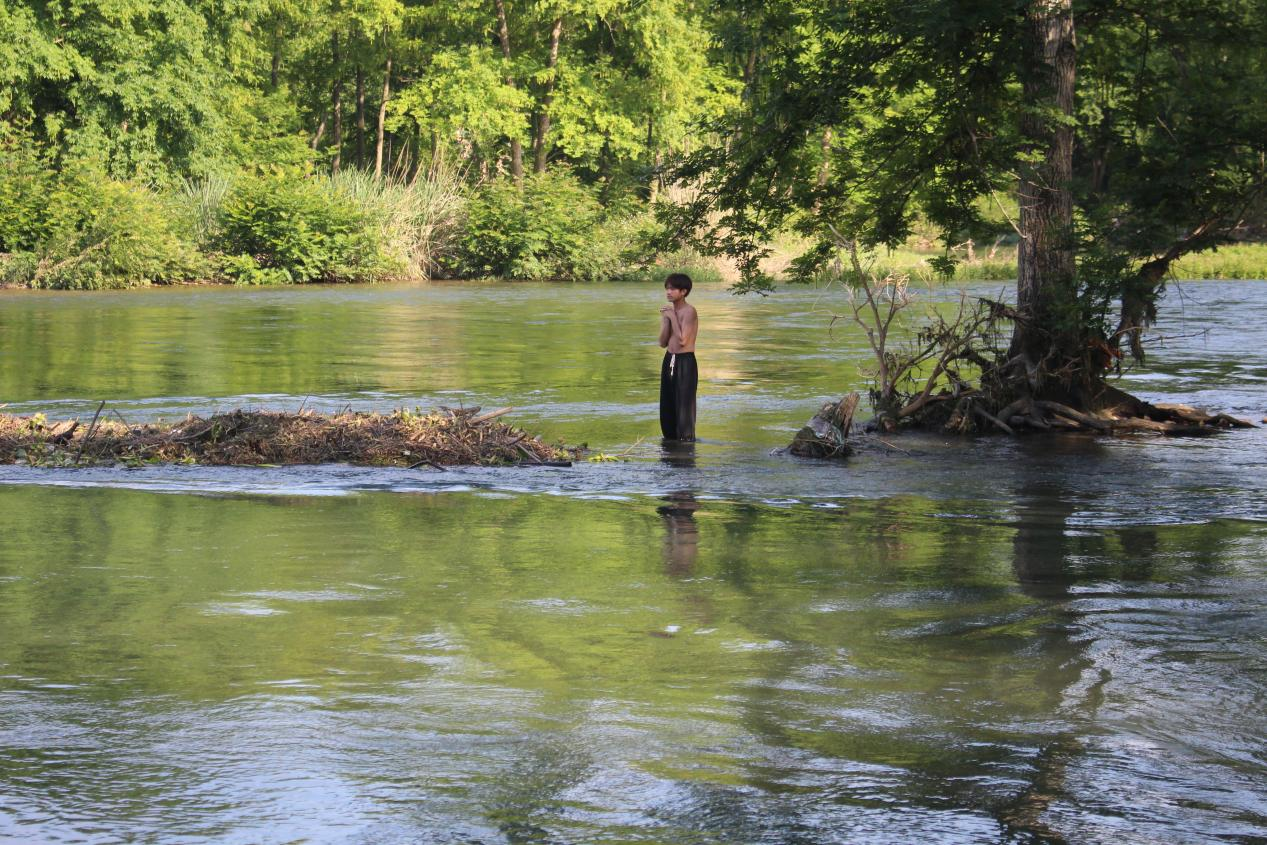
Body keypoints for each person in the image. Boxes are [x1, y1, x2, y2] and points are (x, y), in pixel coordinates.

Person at [658, 272, 698, 441]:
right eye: (667, 288)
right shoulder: (669, 312)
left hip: (685, 362)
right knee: (667, 404)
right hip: (669, 359)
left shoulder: (689, 311)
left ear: (684, 291)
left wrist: (673, 317)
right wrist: (667, 320)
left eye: (673, 289)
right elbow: (662, 342)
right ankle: (669, 441)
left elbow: (683, 340)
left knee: (684, 406)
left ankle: (686, 442)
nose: (668, 292)